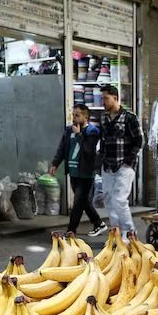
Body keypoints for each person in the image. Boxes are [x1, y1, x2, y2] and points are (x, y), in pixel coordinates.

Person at [50, 103, 107, 237]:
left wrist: (79, 135)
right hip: (74, 171)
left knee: (77, 203)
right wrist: (55, 163)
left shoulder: (92, 131)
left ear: (85, 116)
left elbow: (89, 150)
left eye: (77, 115)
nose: (74, 118)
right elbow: (62, 148)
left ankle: (71, 230)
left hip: (86, 173)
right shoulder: (69, 130)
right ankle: (98, 223)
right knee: (83, 201)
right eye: (73, 115)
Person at [98, 84, 143, 237]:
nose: (103, 101)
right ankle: (116, 233)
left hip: (124, 166)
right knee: (109, 199)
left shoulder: (129, 117)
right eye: (102, 98)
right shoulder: (103, 118)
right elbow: (103, 141)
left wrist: (129, 161)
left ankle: (130, 233)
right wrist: (100, 160)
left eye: (105, 98)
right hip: (107, 166)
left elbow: (139, 140)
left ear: (115, 98)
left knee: (119, 199)